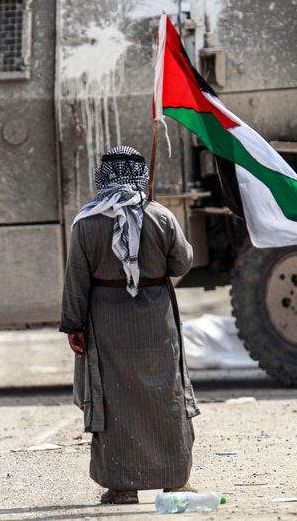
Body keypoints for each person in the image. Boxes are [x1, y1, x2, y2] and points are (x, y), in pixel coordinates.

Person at [60, 145, 198, 505]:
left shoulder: (86, 222)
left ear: (102, 177)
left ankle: (122, 487)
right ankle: (175, 482)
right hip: (157, 320)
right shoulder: (160, 216)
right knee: (165, 395)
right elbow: (182, 263)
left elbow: (76, 279)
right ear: (143, 177)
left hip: (107, 324)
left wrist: (74, 326)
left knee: (115, 399)